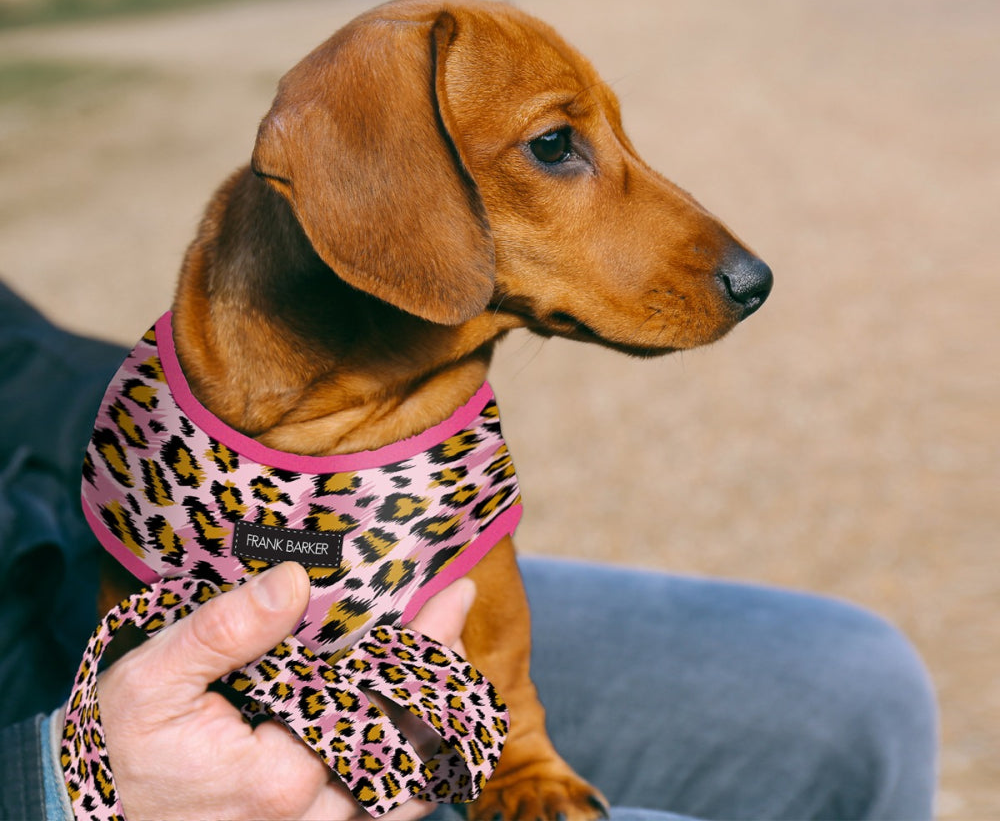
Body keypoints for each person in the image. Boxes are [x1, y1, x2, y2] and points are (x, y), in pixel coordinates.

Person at [0, 280, 937, 820]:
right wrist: (49, 787)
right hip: (64, 765)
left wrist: (227, 428)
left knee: (850, 691)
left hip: (58, 548)